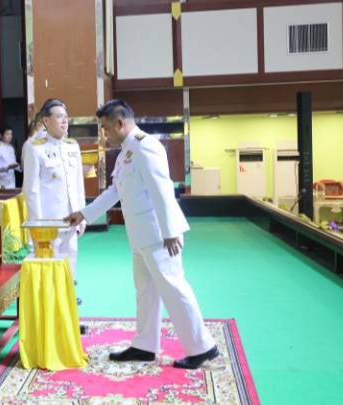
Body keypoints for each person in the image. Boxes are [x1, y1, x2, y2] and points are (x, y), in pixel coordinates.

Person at [65, 99, 218, 369]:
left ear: (119, 123)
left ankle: (202, 347)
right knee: (145, 291)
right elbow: (115, 191)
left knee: (173, 288)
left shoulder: (146, 147)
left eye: (105, 128)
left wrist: (170, 231)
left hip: (160, 236)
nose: (104, 135)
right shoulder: (126, 152)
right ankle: (145, 345)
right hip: (141, 235)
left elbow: (162, 189)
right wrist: (85, 213)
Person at [23, 99, 86, 313]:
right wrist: (38, 225)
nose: (64, 121)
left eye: (66, 117)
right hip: (48, 224)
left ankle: (67, 312)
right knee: (49, 272)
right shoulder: (35, 149)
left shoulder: (72, 147)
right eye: (59, 117)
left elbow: (78, 184)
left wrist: (83, 215)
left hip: (71, 220)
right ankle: (50, 314)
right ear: (46, 121)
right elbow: (31, 190)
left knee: (70, 266)